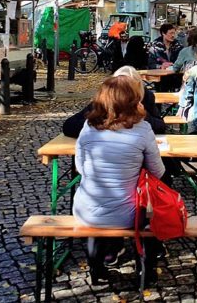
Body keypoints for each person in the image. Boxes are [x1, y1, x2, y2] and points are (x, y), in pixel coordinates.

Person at [72, 75, 166, 285]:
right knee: (153, 214)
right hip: (127, 214)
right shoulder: (142, 129)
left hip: (85, 209)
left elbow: (80, 167)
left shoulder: (88, 126)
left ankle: (96, 270)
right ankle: (146, 270)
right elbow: (158, 172)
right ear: (134, 99)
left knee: (99, 213)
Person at [63, 66, 165, 137]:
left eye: (130, 89)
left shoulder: (146, 97)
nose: (126, 94)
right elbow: (69, 126)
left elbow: (160, 127)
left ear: (138, 88)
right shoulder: (106, 99)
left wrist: (143, 115)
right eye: (121, 88)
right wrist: (104, 123)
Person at [149, 23, 183, 92]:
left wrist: (174, 64)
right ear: (163, 33)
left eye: (174, 33)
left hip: (176, 75)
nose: (173, 35)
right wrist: (160, 66)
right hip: (161, 78)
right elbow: (150, 63)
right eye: (170, 33)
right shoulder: (155, 46)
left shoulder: (178, 45)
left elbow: (182, 60)